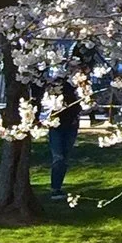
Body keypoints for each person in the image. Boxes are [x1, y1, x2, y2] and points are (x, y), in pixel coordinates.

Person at [45, 68, 84, 205]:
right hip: (56, 125)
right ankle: (55, 188)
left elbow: (81, 103)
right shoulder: (56, 85)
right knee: (58, 157)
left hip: (71, 125)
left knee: (64, 158)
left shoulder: (78, 85)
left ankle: (57, 187)